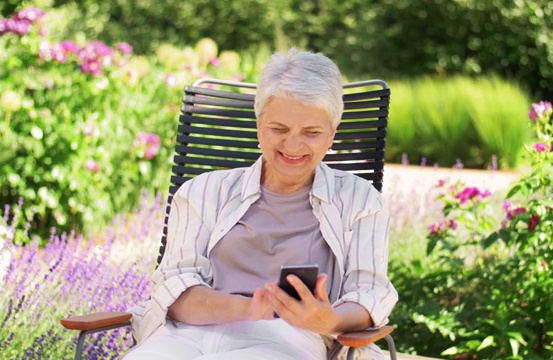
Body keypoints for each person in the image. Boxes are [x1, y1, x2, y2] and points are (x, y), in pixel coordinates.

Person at [125, 48, 398, 360]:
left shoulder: (360, 201)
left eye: (311, 132)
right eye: (278, 129)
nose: (293, 146)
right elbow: (175, 288)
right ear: (258, 125)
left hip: (288, 339)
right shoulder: (202, 191)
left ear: (332, 135)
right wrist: (250, 307)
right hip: (183, 335)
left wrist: (328, 320)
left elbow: (370, 293)